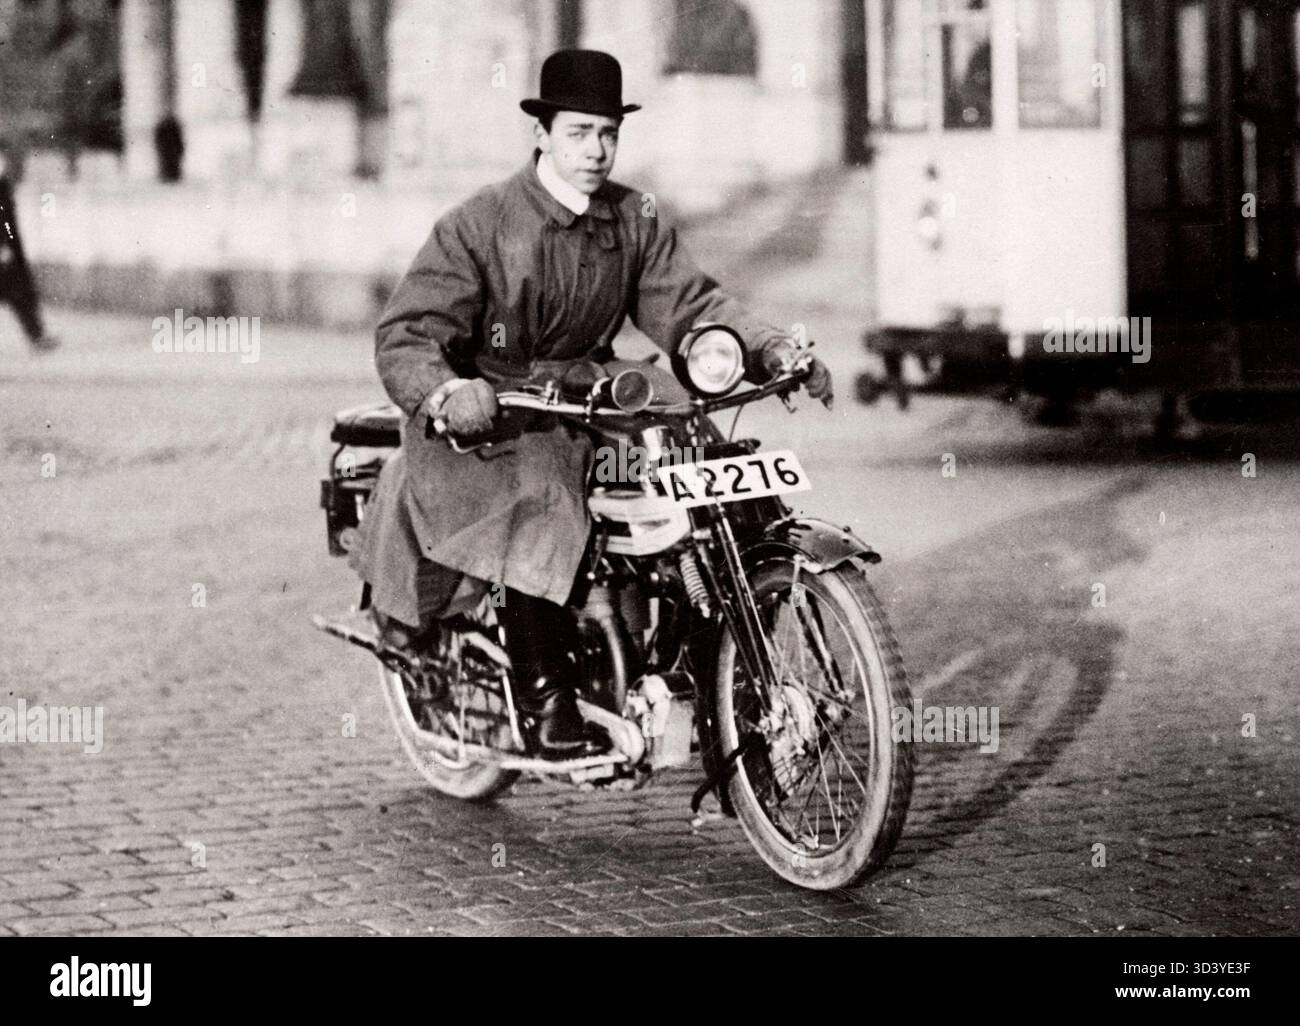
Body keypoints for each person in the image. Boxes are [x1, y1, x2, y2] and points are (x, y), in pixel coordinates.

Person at [350, 50, 832, 759]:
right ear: (541, 134)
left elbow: (690, 305)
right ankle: (545, 693)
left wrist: (768, 349)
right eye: (578, 132)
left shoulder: (633, 216)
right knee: (544, 492)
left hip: (595, 395)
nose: (596, 150)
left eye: (608, 133)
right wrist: (449, 392)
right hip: (496, 415)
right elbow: (408, 333)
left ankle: (717, 663)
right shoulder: (479, 223)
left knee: (711, 464)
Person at [0, 148, 59, 352]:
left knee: (21, 294)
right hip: (5, 250)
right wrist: (3, 245)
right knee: (19, 292)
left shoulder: (3, 184)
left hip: (9, 248)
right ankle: (37, 336)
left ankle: (37, 335)